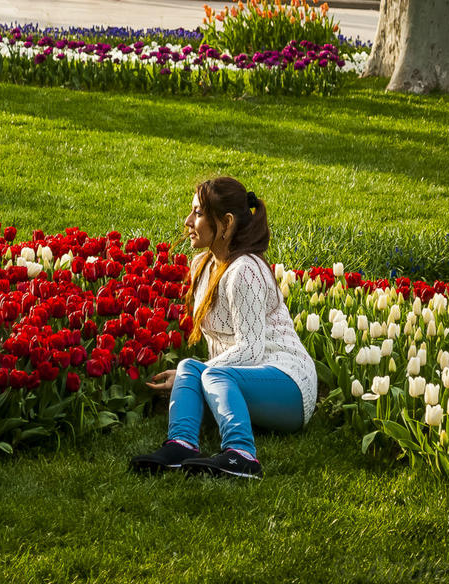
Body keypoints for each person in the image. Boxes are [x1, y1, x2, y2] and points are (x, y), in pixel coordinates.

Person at [130, 177, 317, 479]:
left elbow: (252, 350)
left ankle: (241, 455)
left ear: (226, 223)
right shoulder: (202, 265)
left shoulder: (245, 270)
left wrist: (201, 373)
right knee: (191, 365)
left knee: (206, 370)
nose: (188, 221)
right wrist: (192, 374)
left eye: (199, 214)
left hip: (290, 384)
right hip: (244, 381)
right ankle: (181, 445)